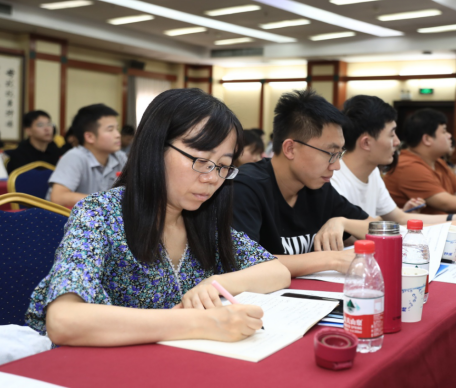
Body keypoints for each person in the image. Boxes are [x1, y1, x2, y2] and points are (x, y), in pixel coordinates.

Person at [26, 88, 290, 347]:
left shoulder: (202, 220)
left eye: (222, 166)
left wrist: (217, 283)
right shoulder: (99, 213)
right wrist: (200, 323)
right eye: (201, 160)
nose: (211, 178)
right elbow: (63, 320)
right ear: (155, 147)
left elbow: (276, 271)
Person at [232, 90, 373, 278]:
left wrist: (342, 222)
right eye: (330, 154)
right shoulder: (245, 187)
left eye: (339, 154)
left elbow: (379, 229)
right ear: (290, 149)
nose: (336, 165)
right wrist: (332, 260)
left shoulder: (318, 188)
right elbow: (246, 261)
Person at [333, 95, 456, 244]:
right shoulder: (334, 178)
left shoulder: (372, 172)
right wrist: (444, 229)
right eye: (391, 135)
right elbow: (354, 238)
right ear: (366, 143)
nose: (397, 142)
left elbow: (399, 218)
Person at [48, 104, 127, 208]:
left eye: (117, 129)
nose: (118, 135)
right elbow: (58, 197)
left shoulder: (120, 157)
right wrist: (107, 200)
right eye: (110, 129)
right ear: (89, 137)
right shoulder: (74, 157)